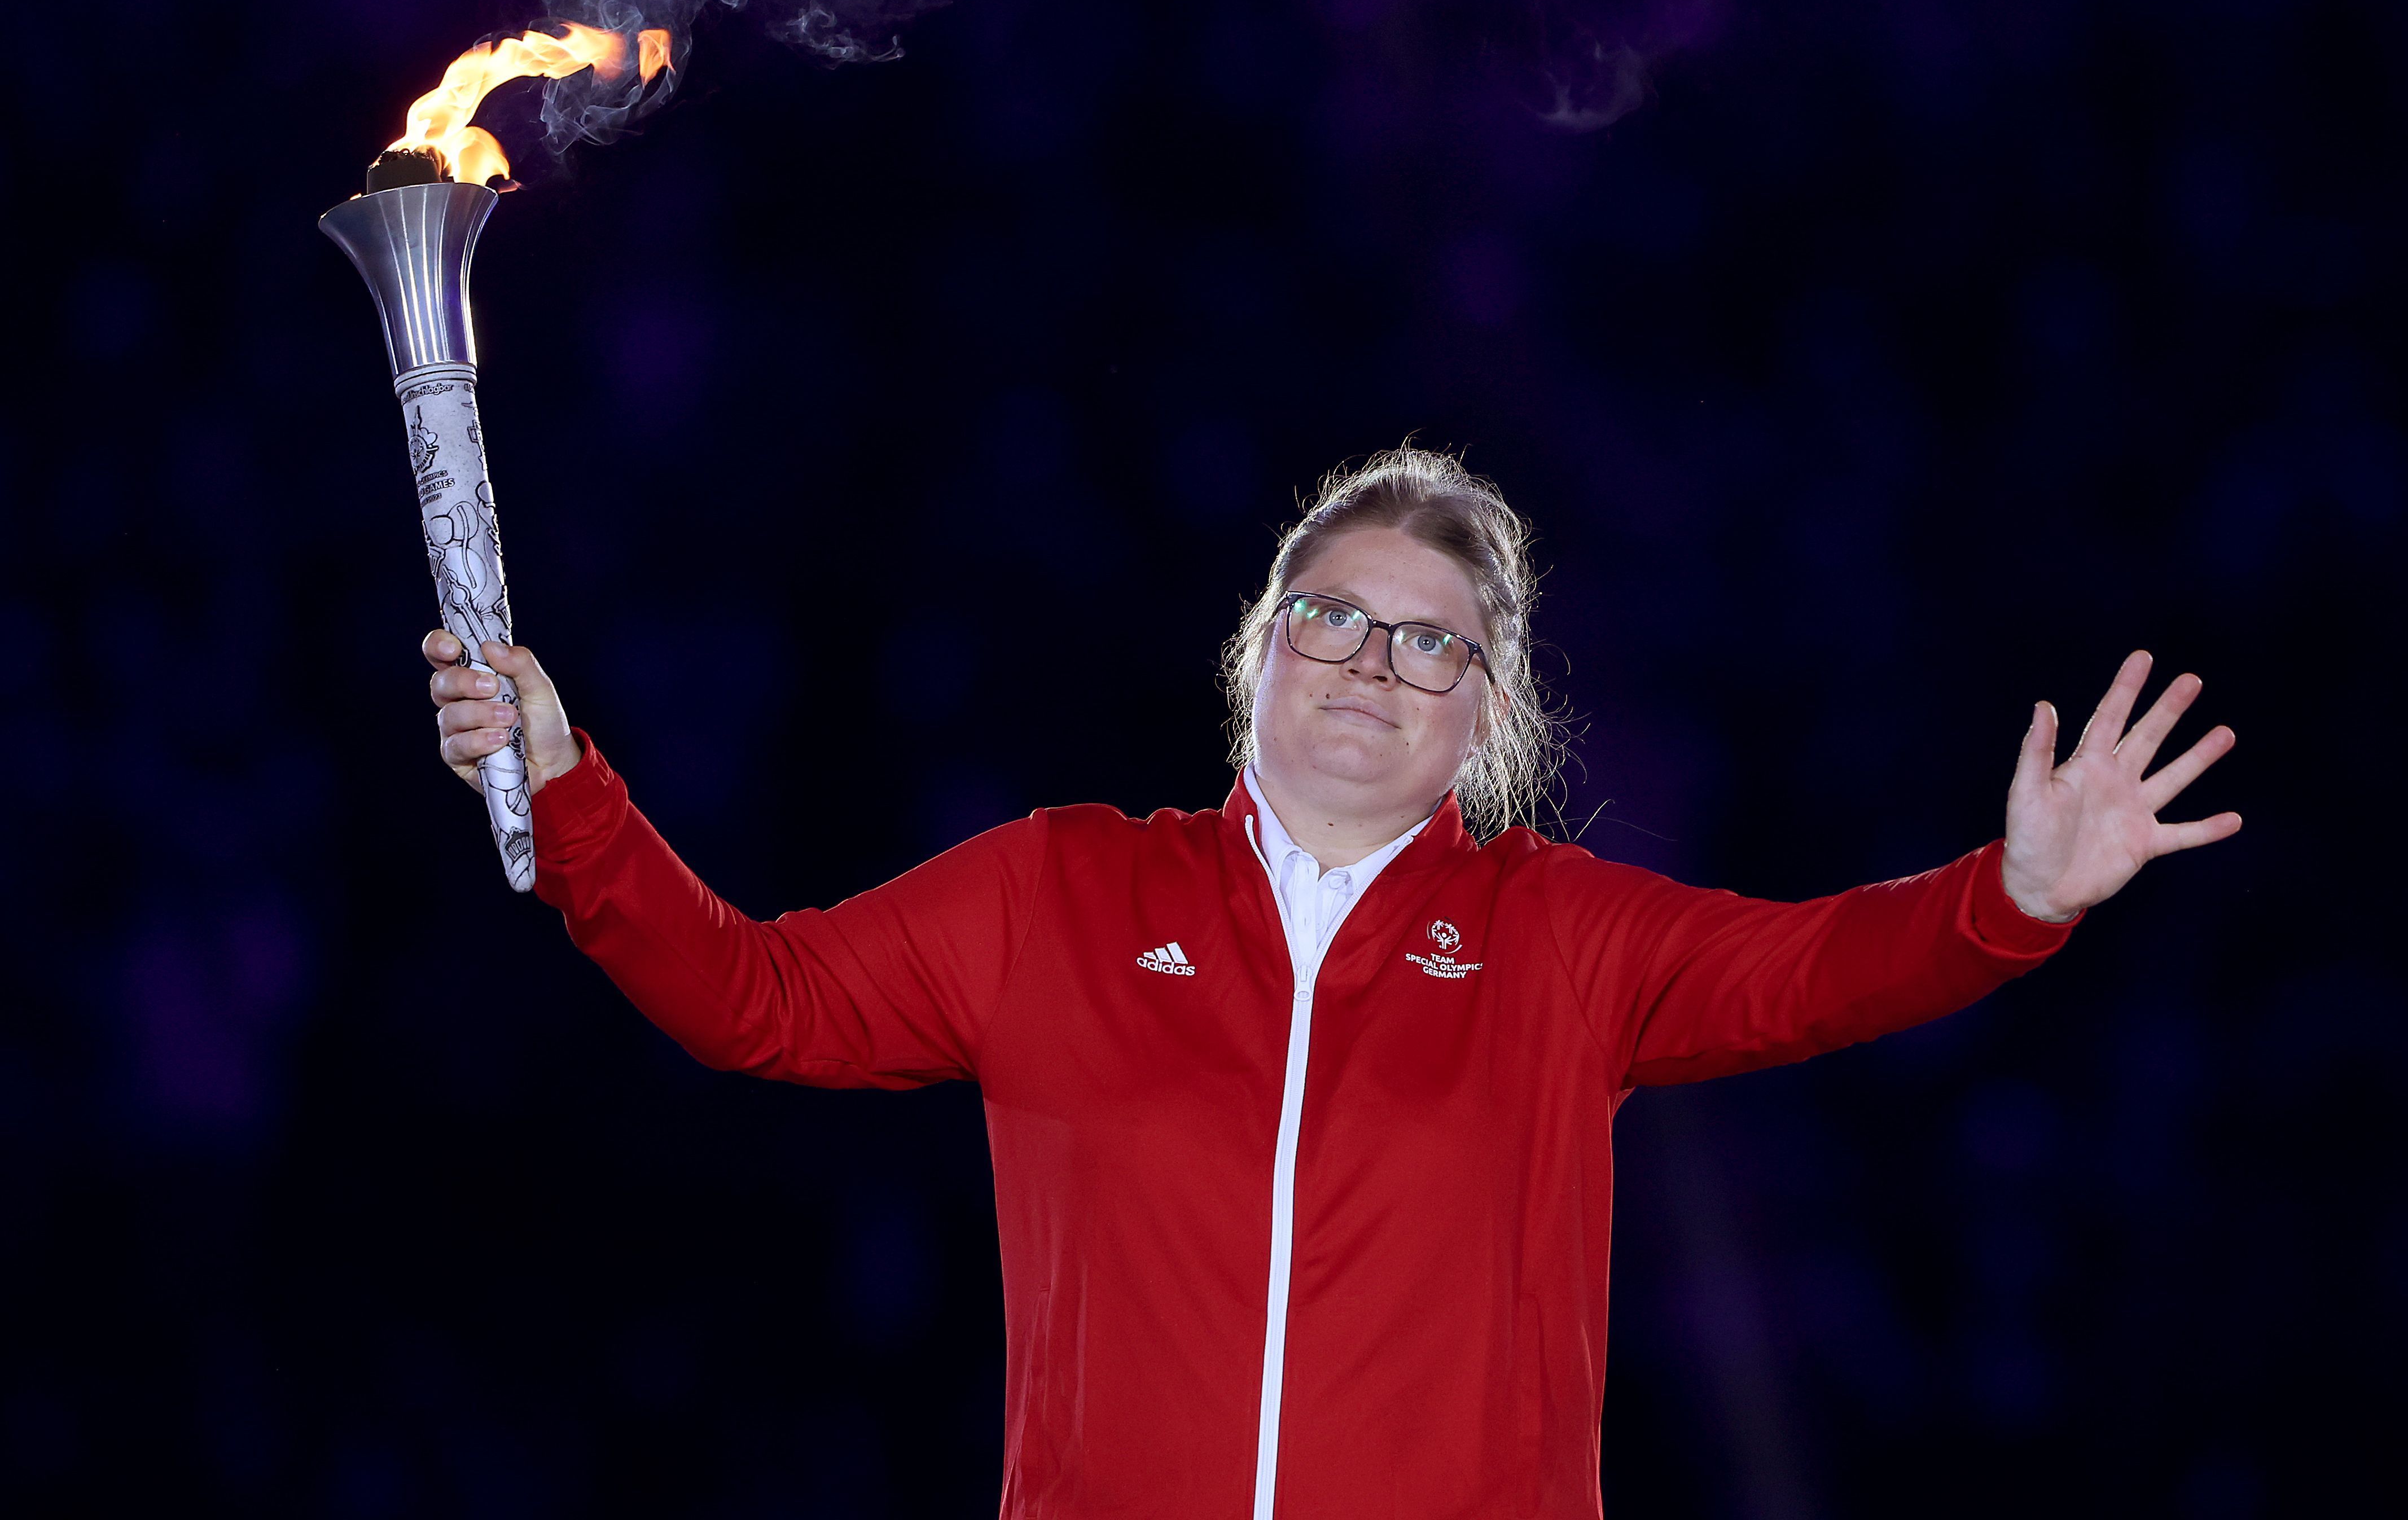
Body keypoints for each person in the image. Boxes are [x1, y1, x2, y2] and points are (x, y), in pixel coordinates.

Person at [424, 447, 2238, 1519]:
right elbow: (754, 997)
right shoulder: (1061, 889)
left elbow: (1823, 971)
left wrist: (2011, 896)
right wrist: (577, 792)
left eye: (1434, 641)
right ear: (1260, 653)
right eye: (1334, 616)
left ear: (1484, 711)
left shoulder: (1561, 937)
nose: (1376, 660)